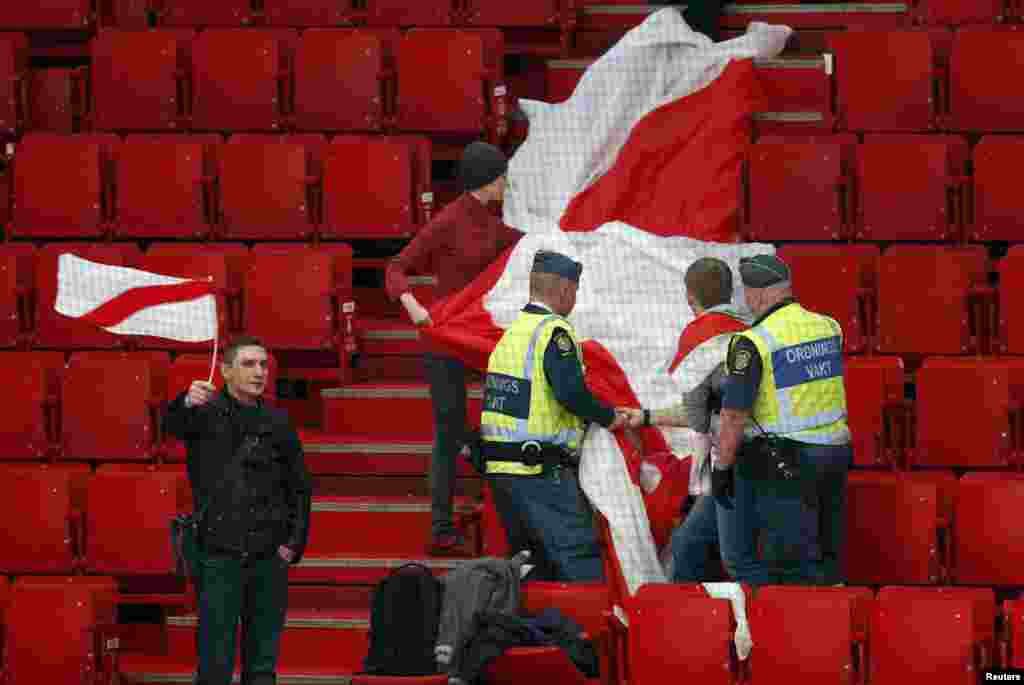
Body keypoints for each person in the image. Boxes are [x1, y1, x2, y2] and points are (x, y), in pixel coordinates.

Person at [385, 141, 524, 555]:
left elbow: (517, 243)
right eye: (502, 177)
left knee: (496, 418)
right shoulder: (450, 220)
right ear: (487, 180)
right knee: (448, 429)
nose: (507, 183)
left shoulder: (491, 220)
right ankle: (441, 528)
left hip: (480, 335)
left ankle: (488, 472)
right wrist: (414, 307)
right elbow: (396, 267)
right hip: (443, 333)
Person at [163, 336, 312, 685]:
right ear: (226, 371)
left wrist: (293, 544)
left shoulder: (279, 422)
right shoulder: (203, 413)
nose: (259, 372)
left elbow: (300, 487)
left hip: (268, 557)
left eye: (263, 364)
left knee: (261, 667)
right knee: (215, 664)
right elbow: (170, 426)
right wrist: (185, 401)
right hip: (218, 555)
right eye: (248, 364)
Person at [478, 250, 632, 582]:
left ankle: (541, 629)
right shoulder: (554, 332)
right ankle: (591, 632)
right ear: (564, 290)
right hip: (540, 470)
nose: (574, 299)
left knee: (532, 565)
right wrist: (609, 417)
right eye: (575, 292)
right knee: (578, 555)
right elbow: (570, 393)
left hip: (503, 472)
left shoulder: (512, 335)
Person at [713, 255, 853, 586]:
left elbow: (734, 415)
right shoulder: (829, 327)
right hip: (836, 454)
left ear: (757, 294)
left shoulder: (754, 341)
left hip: (787, 463)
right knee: (828, 557)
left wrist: (722, 468)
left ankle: (804, 631)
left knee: (790, 566)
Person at [626, 258, 750, 582]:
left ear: (690, 297)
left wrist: (648, 417)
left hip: (730, 462)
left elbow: (696, 412)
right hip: (762, 456)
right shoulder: (752, 329)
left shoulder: (699, 335)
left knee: (691, 546)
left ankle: (685, 621)